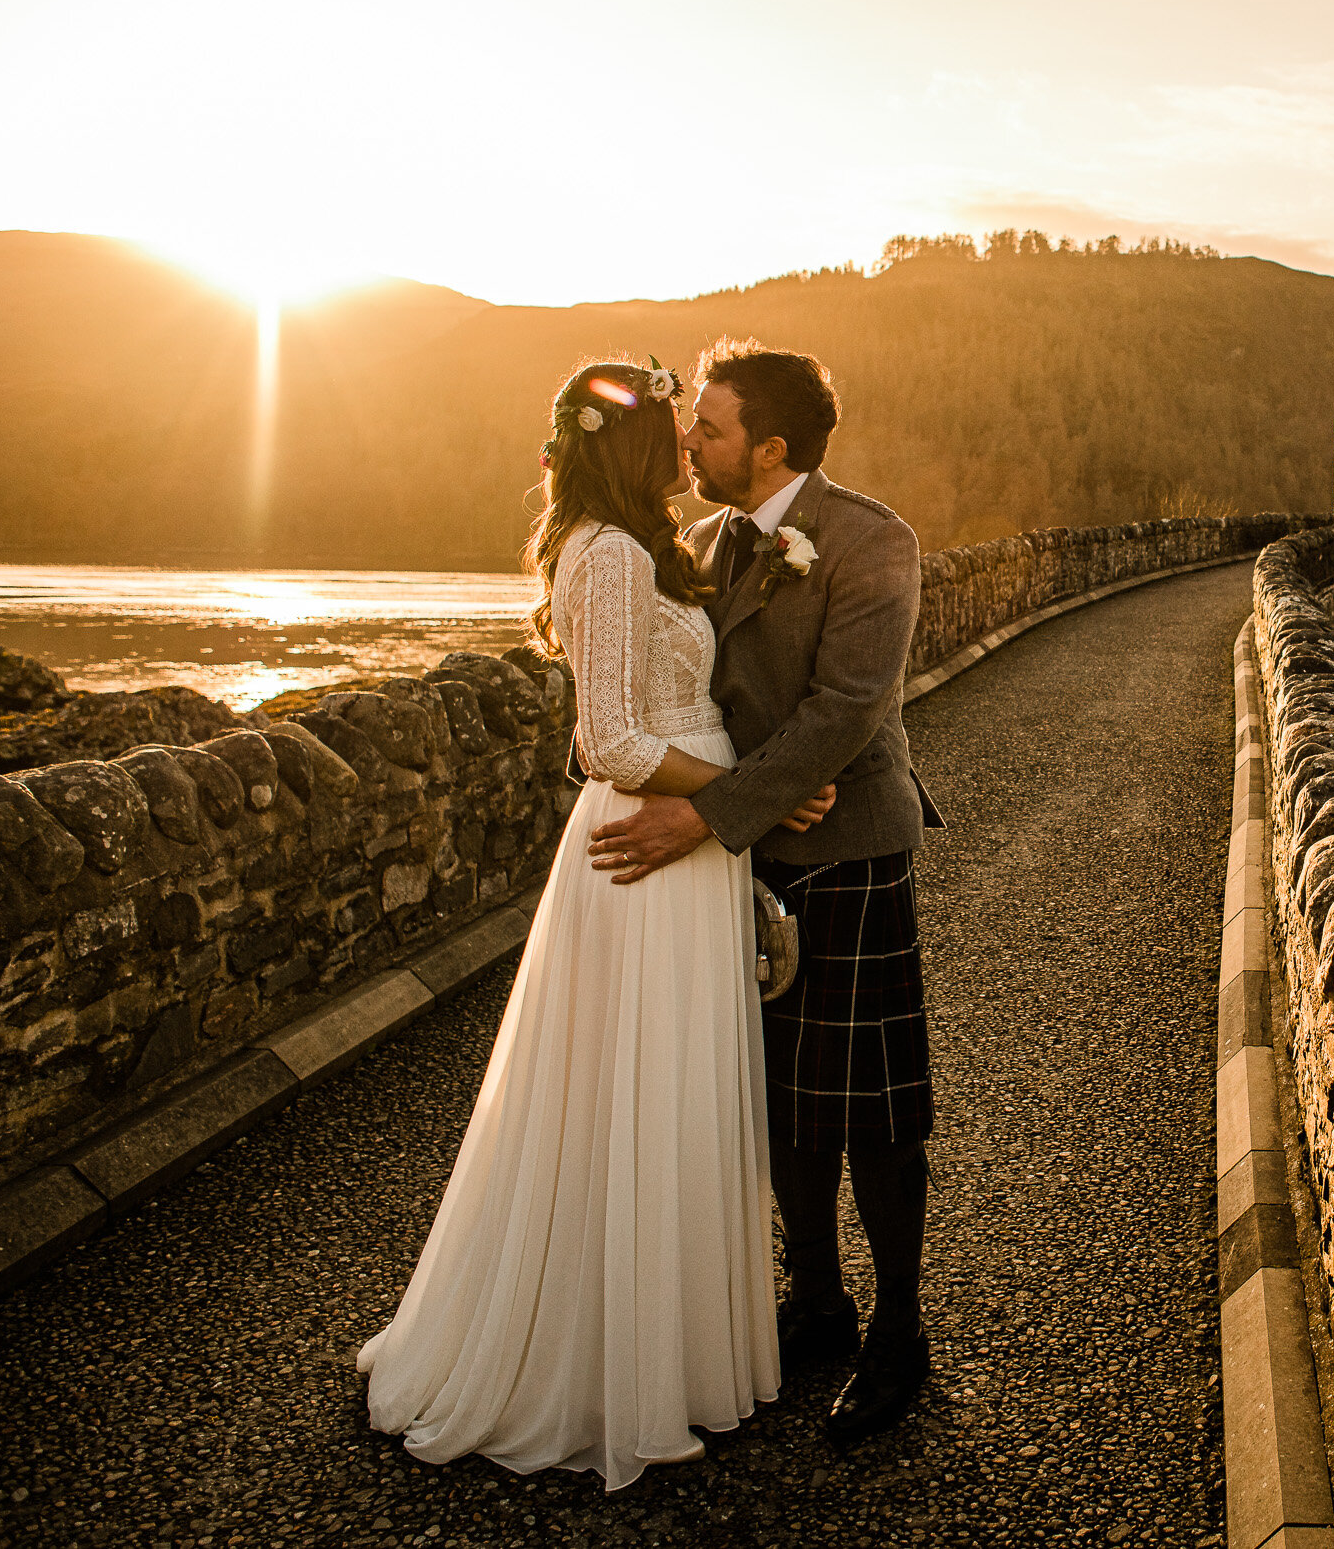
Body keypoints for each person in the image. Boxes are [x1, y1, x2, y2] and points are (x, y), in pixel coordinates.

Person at [359, 357, 820, 1488]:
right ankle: (600, 1372)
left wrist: (729, 806)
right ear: (625, 443)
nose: (684, 444)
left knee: (668, 1095)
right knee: (629, 1095)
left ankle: (669, 1353)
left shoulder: (642, 549)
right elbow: (609, 740)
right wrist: (740, 792)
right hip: (647, 855)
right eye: (671, 426)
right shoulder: (608, 554)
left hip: (691, 849)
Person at [587, 338, 942, 1445]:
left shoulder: (872, 538)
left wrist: (704, 809)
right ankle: (816, 1300)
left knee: (872, 1112)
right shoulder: (695, 541)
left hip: (844, 847)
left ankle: (899, 1331)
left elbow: (845, 710)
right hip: (738, 854)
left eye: (709, 423)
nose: (688, 437)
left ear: (771, 445)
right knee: (778, 1101)